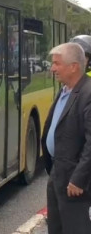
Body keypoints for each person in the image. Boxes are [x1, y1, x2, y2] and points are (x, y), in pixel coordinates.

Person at [41, 42, 91, 234]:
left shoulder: (87, 93)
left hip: (75, 182)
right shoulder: (65, 90)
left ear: (74, 66)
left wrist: (79, 179)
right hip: (57, 173)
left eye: (56, 63)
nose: (52, 68)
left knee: (75, 229)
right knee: (56, 228)